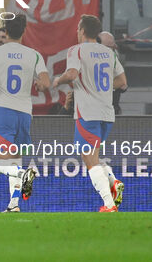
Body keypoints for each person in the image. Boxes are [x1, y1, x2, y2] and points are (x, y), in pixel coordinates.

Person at [52, 15, 127, 212]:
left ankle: (109, 204)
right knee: (93, 156)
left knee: (89, 160)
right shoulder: (109, 53)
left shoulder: (76, 50)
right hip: (107, 114)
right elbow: (123, 82)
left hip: (88, 112)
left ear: (83, 31)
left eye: (78, 28)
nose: (77, 32)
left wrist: (58, 80)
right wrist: (100, 88)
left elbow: (72, 74)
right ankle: (113, 181)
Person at [0, 14, 50, 212]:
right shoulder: (34, 54)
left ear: (6, 31)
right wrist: (37, 84)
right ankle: (14, 204)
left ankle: (22, 174)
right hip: (25, 112)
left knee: (0, 163)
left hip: (3, 110)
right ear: (24, 31)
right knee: (15, 159)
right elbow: (45, 83)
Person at [98, 31, 125, 114]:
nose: (111, 50)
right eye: (108, 47)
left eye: (112, 47)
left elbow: (122, 83)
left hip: (113, 107)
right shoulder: (90, 59)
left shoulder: (115, 57)